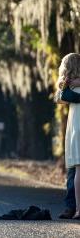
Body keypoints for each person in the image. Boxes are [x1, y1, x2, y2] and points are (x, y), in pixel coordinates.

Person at [55, 53, 80, 219]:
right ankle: (72, 207)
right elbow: (59, 99)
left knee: (74, 169)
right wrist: (66, 85)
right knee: (73, 170)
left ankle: (74, 207)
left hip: (75, 130)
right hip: (73, 130)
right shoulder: (67, 87)